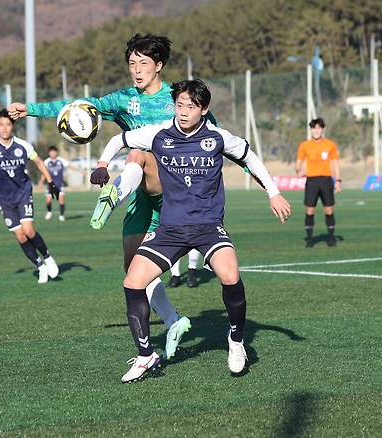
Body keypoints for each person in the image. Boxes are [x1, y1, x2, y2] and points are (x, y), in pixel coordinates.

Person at [8, 33, 192, 357]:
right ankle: (173, 320)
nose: (136, 70)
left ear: (159, 65)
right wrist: (32, 110)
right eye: (132, 63)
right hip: (140, 193)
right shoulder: (124, 99)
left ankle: (111, 198)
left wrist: (246, 168)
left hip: (173, 188)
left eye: (143, 63)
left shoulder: (177, 98)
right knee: (133, 268)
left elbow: (212, 130)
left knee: (136, 154)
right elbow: (80, 107)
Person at [96, 79, 291, 383]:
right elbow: (120, 139)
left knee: (230, 276)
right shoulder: (159, 135)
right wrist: (102, 164)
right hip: (171, 228)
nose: (184, 112)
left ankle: (236, 342)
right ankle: (147, 356)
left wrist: (273, 192)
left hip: (208, 226)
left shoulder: (217, 138)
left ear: (204, 109)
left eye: (191, 106)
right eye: (180, 105)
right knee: (133, 282)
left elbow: (250, 157)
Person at [0, 109, 60, 284]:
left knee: (29, 231)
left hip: (23, 193)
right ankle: (40, 266)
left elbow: (39, 162)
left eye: (8, 125)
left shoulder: (23, 146)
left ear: (12, 127)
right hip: (4, 199)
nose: (4, 128)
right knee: (20, 236)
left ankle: (47, 257)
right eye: (1, 125)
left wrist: (51, 182)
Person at [295, 118, 341, 247]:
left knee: (329, 209)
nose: (316, 131)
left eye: (319, 128)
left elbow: (335, 163)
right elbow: (298, 163)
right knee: (310, 210)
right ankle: (310, 240)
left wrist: (337, 180)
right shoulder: (304, 145)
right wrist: (299, 170)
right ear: (310, 130)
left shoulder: (330, 145)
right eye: (314, 128)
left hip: (326, 180)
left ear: (323, 129)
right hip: (312, 181)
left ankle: (331, 238)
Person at [40, 146, 68, 221]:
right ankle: (49, 212)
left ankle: (62, 215)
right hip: (50, 185)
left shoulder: (61, 161)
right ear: (49, 153)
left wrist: (82, 171)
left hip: (59, 184)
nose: (53, 153)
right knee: (48, 200)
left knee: (61, 199)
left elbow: (70, 166)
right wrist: (41, 182)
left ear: (57, 152)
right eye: (51, 152)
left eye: (54, 151)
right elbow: (44, 173)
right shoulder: (46, 162)